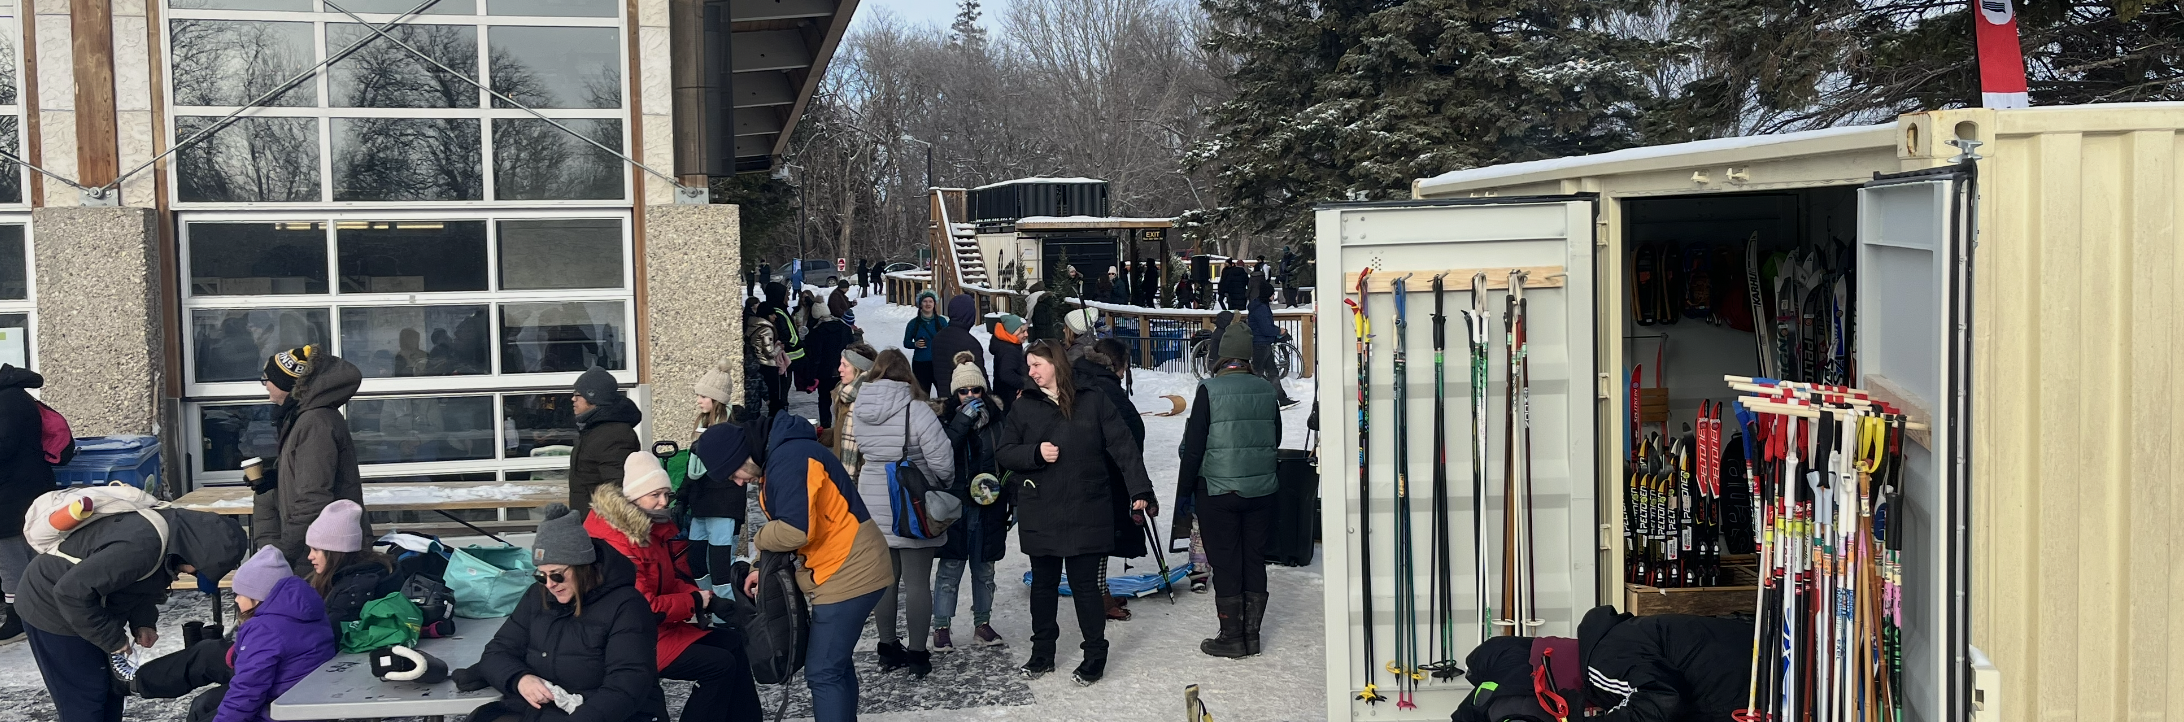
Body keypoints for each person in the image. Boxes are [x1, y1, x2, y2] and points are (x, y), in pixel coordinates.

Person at [995, 341, 1156, 687]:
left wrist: (1140, 489)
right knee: (1043, 586)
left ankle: (1094, 656)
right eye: (1029, 366)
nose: (1032, 372)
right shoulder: (1024, 407)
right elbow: (1005, 452)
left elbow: (1124, 445)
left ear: (1056, 364)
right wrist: (1035, 454)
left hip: (1088, 507)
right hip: (1041, 509)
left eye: (1037, 364)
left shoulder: (1094, 399)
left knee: (1086, 588)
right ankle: (1042, 654)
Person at [720, 413, 891, 722]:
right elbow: (791, 525)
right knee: (835, 667)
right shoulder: (783, 456)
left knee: (823, 672)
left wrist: (759, 539)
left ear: (741, 456)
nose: (739, 481)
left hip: (849, 570)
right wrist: (763, 566)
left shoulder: (789, 459)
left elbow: (794, 531)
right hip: (844, 567)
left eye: (734, 473)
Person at [19, 504, 248, 722]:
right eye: (197, 570)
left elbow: (138, 580)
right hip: (50, 606)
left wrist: (143, 622)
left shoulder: (174, 541)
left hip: (89, 606)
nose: (192, 574)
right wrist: (114, 640)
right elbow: (70, 593)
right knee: (86, 696)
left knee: (109, 690)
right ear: (196, 553)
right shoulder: (141, 547)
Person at [586, 453, 762, 722]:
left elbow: (666, 582)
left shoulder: (647, 529)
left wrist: (710, 600)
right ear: (633, 496)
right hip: (628, 640)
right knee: (718, 666)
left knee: (733, 644)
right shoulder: (621, 542)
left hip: (654, 630)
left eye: (666, 494)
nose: (663, 502)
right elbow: (643, 606)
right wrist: (695, 601)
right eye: (656, 494)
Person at [474, 505, 667, 722]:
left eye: (556, 575)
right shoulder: (537, 596)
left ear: (582, 567)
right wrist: (520, 679)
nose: (549, 585)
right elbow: (496, 652)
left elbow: (627, 685)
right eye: (541, 576)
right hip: (546, 711)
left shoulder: (627, 605)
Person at [1175, 328, 1282, 658]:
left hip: (1218, 490)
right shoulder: (1266, 389)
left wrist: (1183, 494)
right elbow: (1274, 436)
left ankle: (1232, 636)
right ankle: (1253, 635)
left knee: (1225, 561)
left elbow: (1194, 447)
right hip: (1262, 490)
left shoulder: (1209, 389)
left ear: (1219, 356)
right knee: (1254, 558)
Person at [850, 350, 954, 679]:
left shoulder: (860, 407)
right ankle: (919, 655)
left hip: (873, 499)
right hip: (912, 504)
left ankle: (887, 650)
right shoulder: (917, 409)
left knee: (885, 580)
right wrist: (941, 485)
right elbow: (942, 462)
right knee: (917, 582)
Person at [189, 546, 339, 722]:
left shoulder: (265, 630)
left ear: (257, 597)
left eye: (239, 594)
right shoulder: (305, 612)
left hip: (281, 713)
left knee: (209, 706)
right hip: (299, 704)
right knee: (204, 704)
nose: (236, 600)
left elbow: (246, 692)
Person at [258, 345, 368, 573]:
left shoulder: (315, 423)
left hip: (321, 555)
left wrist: (284, 553)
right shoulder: (303, 417)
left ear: (286, 384)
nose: (265, 384)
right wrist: (275, 478)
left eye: (266, 379)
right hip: (316, 549)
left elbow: (314, 499)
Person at [931, 352, 1009, 651]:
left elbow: (1007, 457)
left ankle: (982, 623)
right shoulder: (944, 418)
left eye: (975, 390)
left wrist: (1008, 497)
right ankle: (941, 626)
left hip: (989, 503)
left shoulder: (997, 418)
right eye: (964, 391)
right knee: (950, 567)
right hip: (955, 503)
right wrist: (961, 422)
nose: (970, 396)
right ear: (955, 393)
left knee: (985, 567)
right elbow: (941, 453)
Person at [1071, 339, 1144, 622]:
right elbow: (1126, 430)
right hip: (1101, 471)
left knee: (1097, 536)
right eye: (1125, 365)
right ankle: (1097, 596)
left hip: (1093, 468)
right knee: (1099, 537)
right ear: (1116, 364)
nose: (1125, 372)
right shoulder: (1103, 388)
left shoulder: (1086, 379)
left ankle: (1099, 590)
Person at [0, 364, 53, 642]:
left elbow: (4, 446)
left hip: (11, 494)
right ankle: (36, 608)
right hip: (24, 488)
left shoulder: (7, 400)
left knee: (10, 556)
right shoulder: (15, 396)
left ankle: (18, 616)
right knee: (28, 551)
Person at [689, 362, 746, 596]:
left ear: (716, 399)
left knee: (721, 567)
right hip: (701, 504)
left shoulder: (735, 427)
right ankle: (712, 605)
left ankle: (729, 618)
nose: (699, 401)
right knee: (696, 561)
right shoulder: (703, 423)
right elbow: (692, 472)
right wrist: (683, 497)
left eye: (703, 396)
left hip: (724, 505)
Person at [302, 500, 402, 627]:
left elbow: (328, 632)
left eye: (316, 549)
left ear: (335, 551)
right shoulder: (362, 572)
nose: (310, 556)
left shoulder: (353, 589)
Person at [568, 366, 642, 512]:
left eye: (578, 394)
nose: (573, 399)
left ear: (593, 397)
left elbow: (618, 490)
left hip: (603, 525)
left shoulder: (615, 435)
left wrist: (604, 528)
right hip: (590, 522)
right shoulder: (592, 428)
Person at [825, 344, 878, 475]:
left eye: (845, 365)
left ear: (860, 369)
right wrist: (821, 434)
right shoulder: (842, 394)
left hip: (863, 475)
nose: (839, 369)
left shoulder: (870, 399)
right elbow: (844, 432)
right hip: (842, 469)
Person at [1246, 279, 1298, 406]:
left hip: (1263, 343)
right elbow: (1266, 328)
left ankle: (1282, 398)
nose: (1273, 296)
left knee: (1272, 372)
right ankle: (1248, 399)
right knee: (1256, 373)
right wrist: (1278, 331)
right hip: (1261, 344)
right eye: (1272, 294)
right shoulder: (1261, 309)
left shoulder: (1259, 306)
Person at [804, 301, 854, 430]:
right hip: (844, 369)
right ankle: (842, 425)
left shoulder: (816, 332)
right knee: (843, 398)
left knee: (824, 400)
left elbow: (815, 356)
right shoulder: (844, 328)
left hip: (824, 372)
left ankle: (825, 427)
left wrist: (811, 376)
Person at [746, 295, 788, 416]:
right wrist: (779, 347)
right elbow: (769, 353)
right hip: (768, 365)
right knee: (773, 398)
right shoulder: (766, 330)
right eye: (772, 314)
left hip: (756, 363)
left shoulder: (753, 325)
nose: (775, 317)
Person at [930, 294, 985, 382]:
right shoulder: (970, 343)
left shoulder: (938, 338)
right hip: (965, 393)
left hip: (943, 392)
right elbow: (980, 377)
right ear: (969, 315)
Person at [902, 291, 945, 397]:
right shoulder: (913, 324)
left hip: (939, 363)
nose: (928, 304)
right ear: (920, 304)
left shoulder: (942, 321)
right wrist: (915, 344)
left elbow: (948, 340)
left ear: (935, 304)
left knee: (944, 393)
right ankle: (923, 413)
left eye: (931, 301)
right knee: (922, 395)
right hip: (920, 364)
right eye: (925, 301)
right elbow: (906, 342)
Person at [986, 314, 1030, 402]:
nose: (1026, 334)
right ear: (1012, 332)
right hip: (1010, 397)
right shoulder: (1008, 350)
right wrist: (1026, 384)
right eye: (1023, 331)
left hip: (1005, 395)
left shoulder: (1007, 344)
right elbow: (1006, 374)